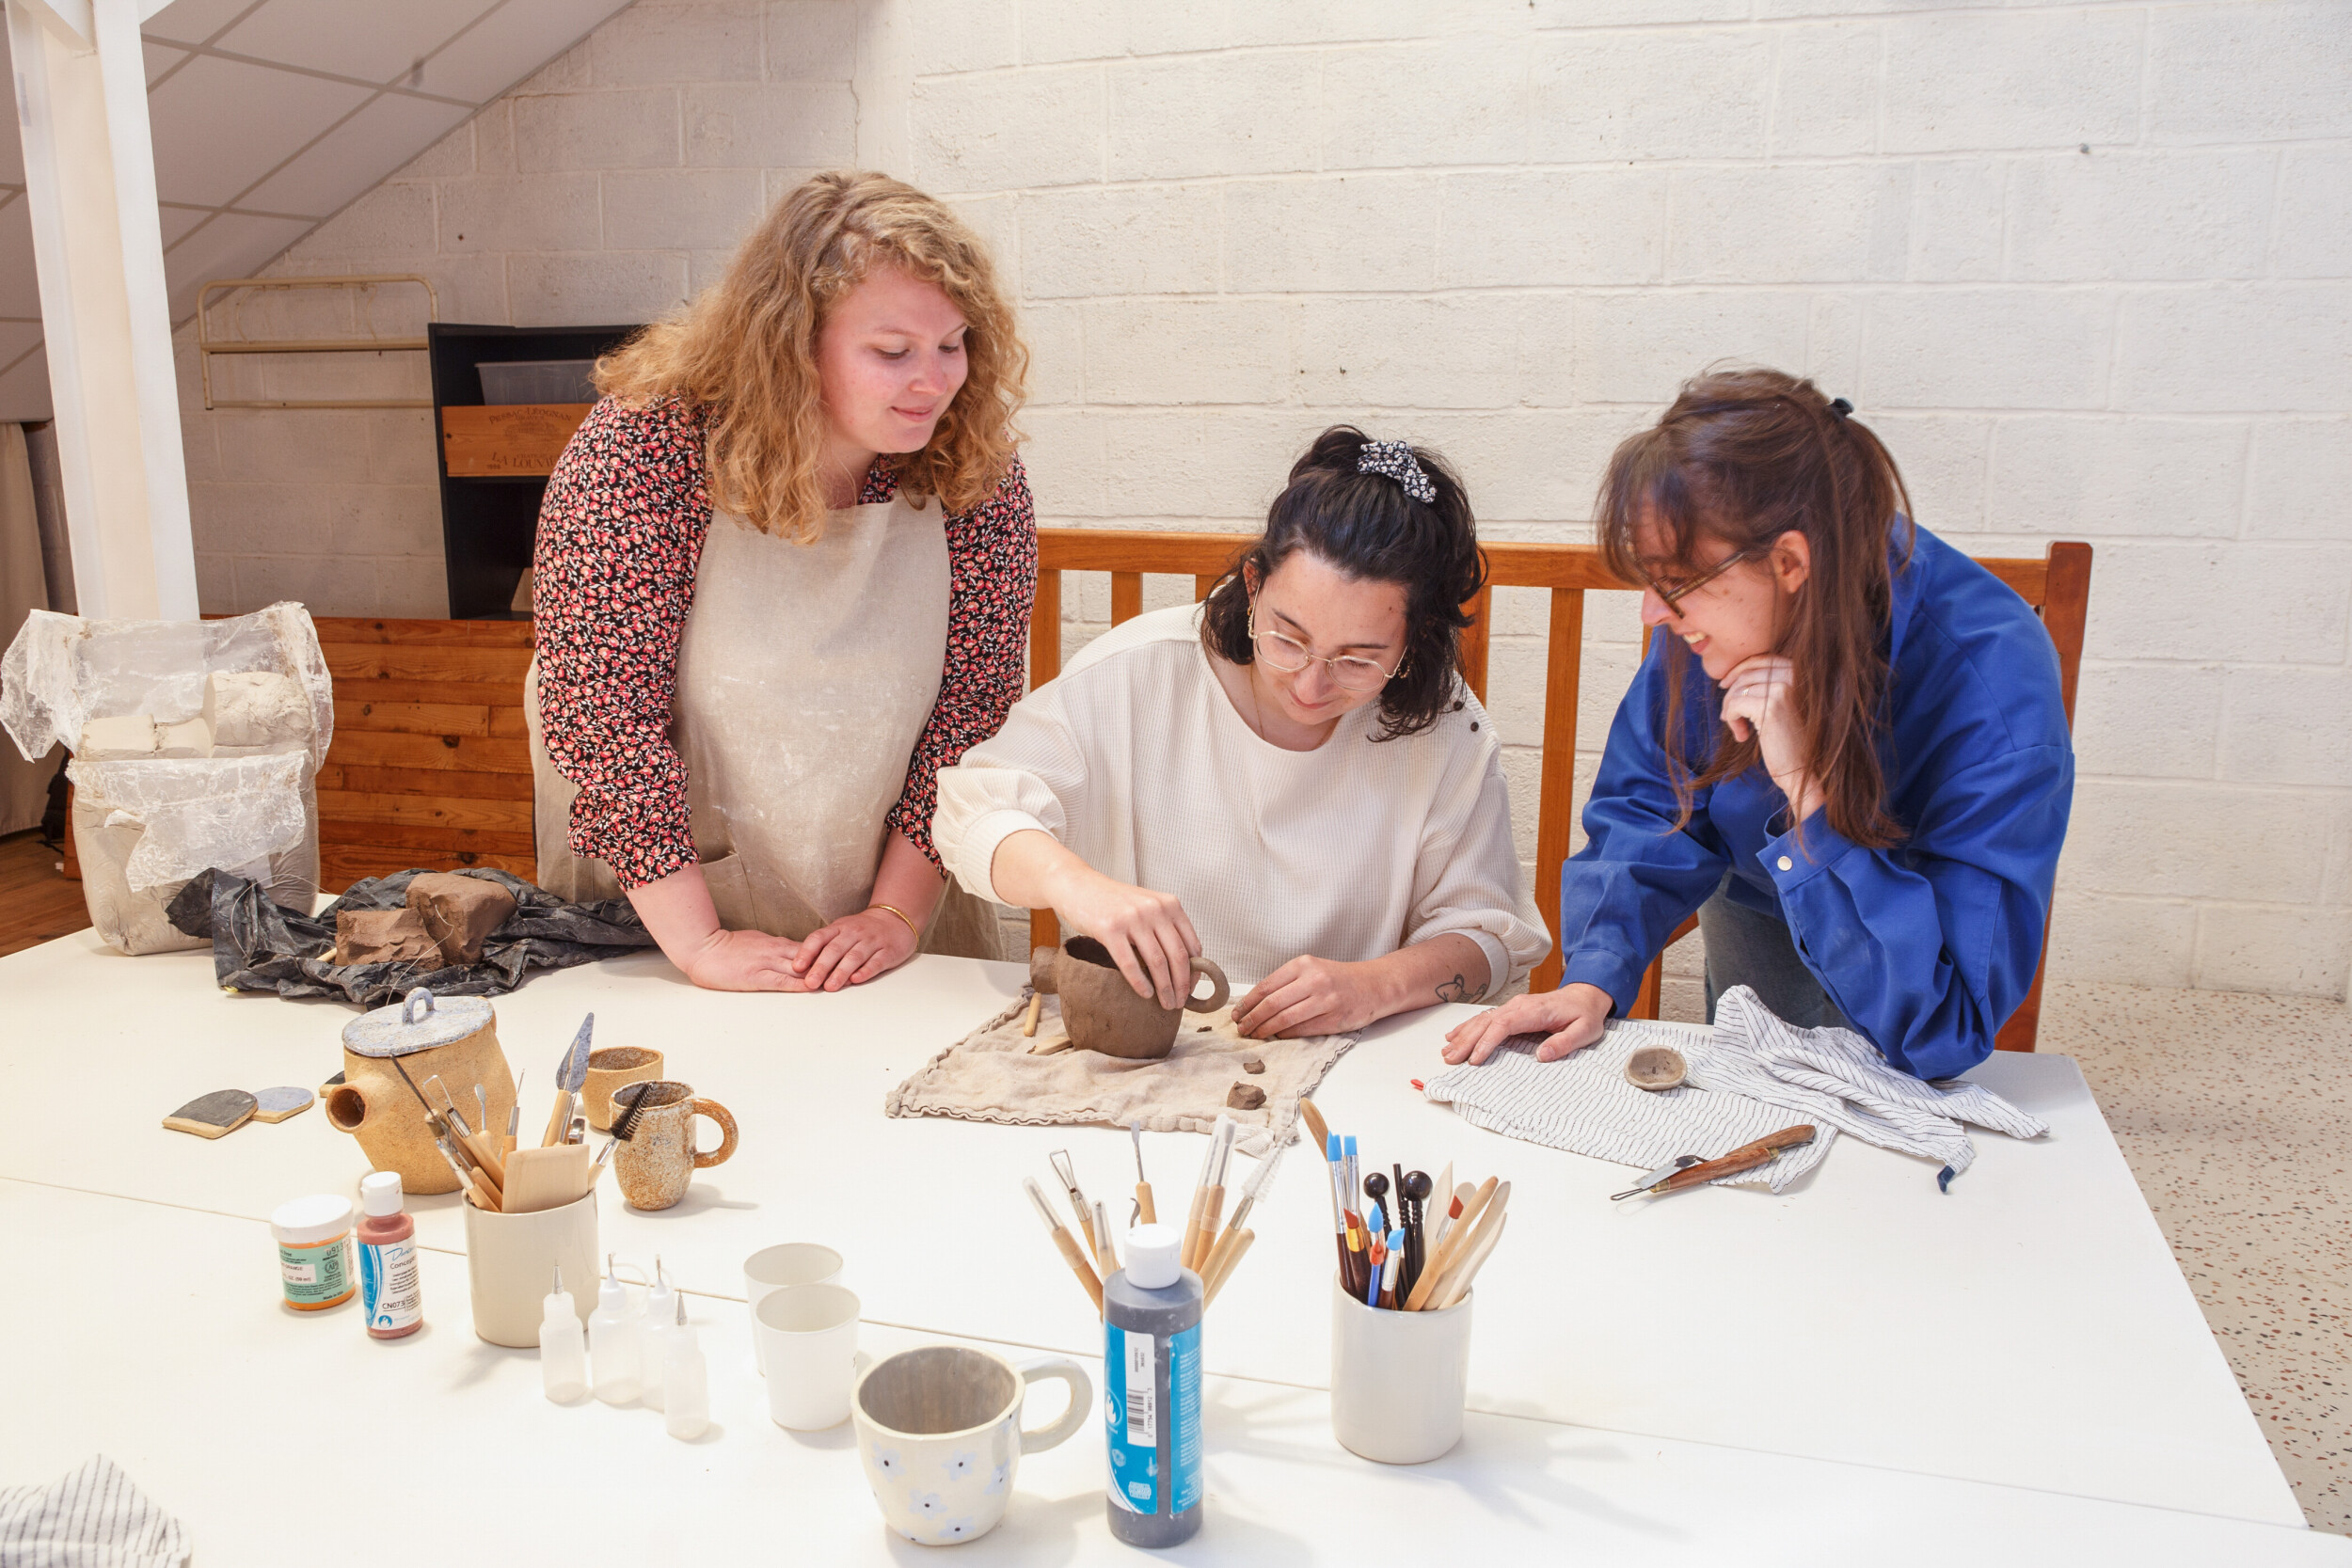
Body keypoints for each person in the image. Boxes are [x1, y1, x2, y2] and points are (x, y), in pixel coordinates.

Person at [1442, 369, 2073, 1081]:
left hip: (1917, 941)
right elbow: (1651, 803)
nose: (1653, 614)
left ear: (1789, 562)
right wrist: (1595, 975)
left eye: (1674, 585)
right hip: (1755, 895)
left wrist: (1808, 787)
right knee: (1764, 1095)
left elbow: (1945, 1026)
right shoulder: (1712, 616)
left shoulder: (1999, 694)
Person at [526, 170, 1035, 992]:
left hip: (882, 916)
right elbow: (604, 717)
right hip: (659, 915)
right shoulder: (647, 449)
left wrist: (896, 916)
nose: (936, 381)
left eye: (953, 343)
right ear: (792, 341)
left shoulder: (974, 471)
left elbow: (970, 711)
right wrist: (698, 944)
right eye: (892, 351)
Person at [932, 426, 1549, 1041]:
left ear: (1413, 642)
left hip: (1344, 1057)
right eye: (1288, 636)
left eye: (1358, 659)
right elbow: (971, 810)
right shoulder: (1137, 672)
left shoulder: (1447, 730)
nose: (1311, 686)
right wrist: (1079, 887)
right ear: (1254, 586)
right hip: (1141, 1047)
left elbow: (1488, 938)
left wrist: (1375, 985)